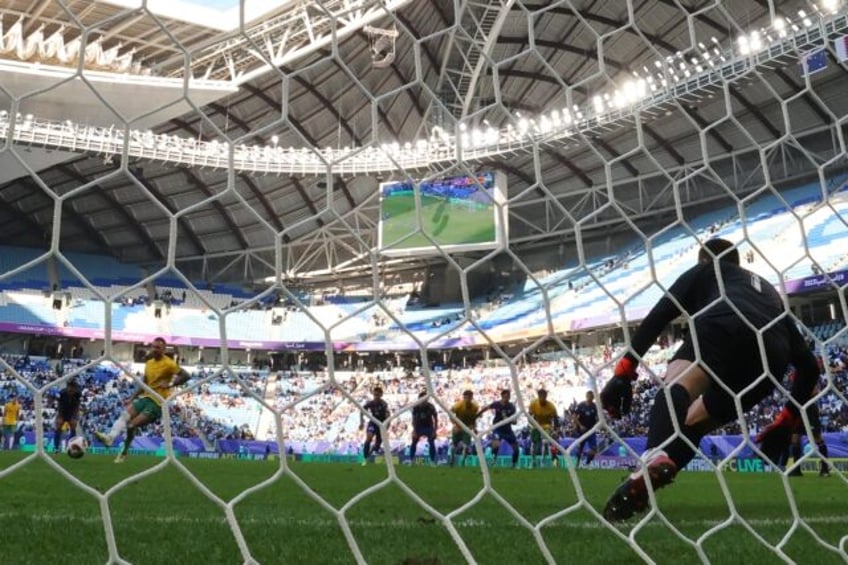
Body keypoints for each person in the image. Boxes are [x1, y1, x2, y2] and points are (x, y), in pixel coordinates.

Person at [600, 238, 820, 521]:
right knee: (693, 424)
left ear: (704, 260)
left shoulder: (707, 270)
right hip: (770, 357)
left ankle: (653, 457)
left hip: (724, 322)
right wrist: (787, 418)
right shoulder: (769, 294)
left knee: (676, 386)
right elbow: (810, 368)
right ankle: (648, 478)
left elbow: (661, 313)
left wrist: (625, 370)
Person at [96, 337, 190, 462]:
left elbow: (186, 375)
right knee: (124, 415)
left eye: (158, 347)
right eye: (153, 346)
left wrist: (170, 384)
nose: (155, 349)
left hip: (158, 403)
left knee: (131, 426)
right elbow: (144, 383)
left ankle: (124, 452)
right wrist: (132, 397)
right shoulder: (149, 363)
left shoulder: (169, 364)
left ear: (163, 349)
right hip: (146, 397)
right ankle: (110, 438)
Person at [477, 389, 520, 468]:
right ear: (502, 396)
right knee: (496, 444)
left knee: (516, 449)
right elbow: (486, 408)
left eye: (509, 396)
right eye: (506, 396)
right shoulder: (497, 404)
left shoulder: (511, 406)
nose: (507, 398)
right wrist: (478, 414)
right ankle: (493, 460)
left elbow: (515, 422)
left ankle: (514, 464)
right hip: (497, 428)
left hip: (507, 430)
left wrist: (508, 420)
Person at [528, 388, 558, 466]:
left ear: (546, 396)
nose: (542, 398)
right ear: (538, 396)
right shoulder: (533, 403)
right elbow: (529, 416)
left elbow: (556, 419)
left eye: (544, 396)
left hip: (546, 426)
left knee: (545, 443)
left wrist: (556, 430)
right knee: (534, 444)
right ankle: (533, 461)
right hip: (536, 425)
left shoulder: (551, 406)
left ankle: (543, 461)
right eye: (540, 396)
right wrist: (532, 424)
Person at [360, 386, 390, 465]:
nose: (376, 397)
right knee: (368, 438)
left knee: (377, 443)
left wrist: (387, 425)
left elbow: (388, 415)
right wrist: (361, 422)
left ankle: (371, 453)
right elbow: (362, 411)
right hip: (373, 423)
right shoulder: (370, 403)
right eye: (374, 395)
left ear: (381, 395)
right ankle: (365, 458)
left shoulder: (384, 404)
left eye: (377, 395)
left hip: (381, 425)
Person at [449, 390, 479, 466]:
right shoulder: (458, 405)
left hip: (467, 428)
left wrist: (474, 427)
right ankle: (452, 460)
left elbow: (473, 418)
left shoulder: (475, 407)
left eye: (469, 397)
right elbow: (450, 412)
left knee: (466, 447)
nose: (468, 399)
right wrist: (454, 425)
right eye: (466, 398)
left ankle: (462, 462)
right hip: (458, 427)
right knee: (454, 446)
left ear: (472, 397)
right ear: (464, 397)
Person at [409, 390, 438, 464]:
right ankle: (411, 460)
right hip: (418, 427)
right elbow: (414, 420)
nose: (424, 401)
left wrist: (435, 430)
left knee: (432, 443)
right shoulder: (415, 407)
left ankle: (432, 461)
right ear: (419, 399)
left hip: (429, 427)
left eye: (426, 399)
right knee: (414, 442)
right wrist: (414, 431)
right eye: (422, 399)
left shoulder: (431, 406)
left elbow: (435, 418)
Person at [54, 379, 82, 453]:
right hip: (62, 412)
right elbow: (59, 405)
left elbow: (77, 406)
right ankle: (56, 448)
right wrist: (60, 416)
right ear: (67, 387)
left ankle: (71, 447)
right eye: (70, 388)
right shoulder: (61, 393)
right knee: (58, 426)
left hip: (72, 412)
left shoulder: (78, 394)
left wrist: (74, 417)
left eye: (73, 388)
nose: (72, 390)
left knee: (73, 426)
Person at [572, 390, 599, 468]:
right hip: (582, 431)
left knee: (594, 449)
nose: (591, 398)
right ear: (586, 396)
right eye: (590, 396)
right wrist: (580, 426)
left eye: (592, 397)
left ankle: (587, 464)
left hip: (591, 431)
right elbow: (574, 416)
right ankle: (577, 465)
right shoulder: (581, 405)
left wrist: (596, 425)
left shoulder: (594, 406)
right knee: (580, 449)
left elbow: (598, 418)